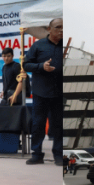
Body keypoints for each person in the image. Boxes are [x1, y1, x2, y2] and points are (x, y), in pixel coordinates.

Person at [24, 18, 65, 166]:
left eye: (63, 28)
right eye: (58, 27)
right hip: (40, 92)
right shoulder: (38, 45)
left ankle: (59, 155)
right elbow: (26, 64)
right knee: (38, 124)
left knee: (58, 125)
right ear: (49, 29)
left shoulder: (66, 47)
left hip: (59, 92)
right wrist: (41, 66)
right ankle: (37, 155)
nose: (61, 30)